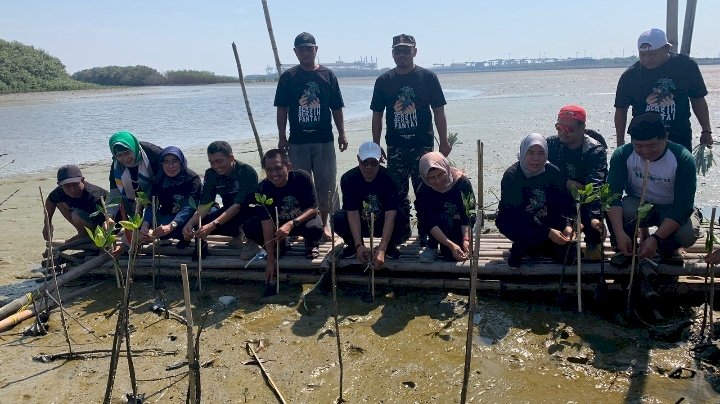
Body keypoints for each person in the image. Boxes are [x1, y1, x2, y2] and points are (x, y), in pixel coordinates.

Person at [370, 34, 450, 244]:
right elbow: (377, 115)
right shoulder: (384, 81)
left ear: (415, 51)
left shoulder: (428, 77)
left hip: (423, 146)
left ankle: (427, 232)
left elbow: (439, 111)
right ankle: (401, 232)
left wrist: (444, 141)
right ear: (393, 53)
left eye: (406, 50)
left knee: (426, 191)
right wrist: (376, 146)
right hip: (396, 146)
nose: (402, 54)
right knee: (397, 194)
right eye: (398, 50)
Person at [274, 32, 346, 240]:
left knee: (326, 183)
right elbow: (282, 109)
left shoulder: (327, 75)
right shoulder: (289, 77)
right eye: (301, 49)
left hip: (324, 140)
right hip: (297, 141)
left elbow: (337, 107)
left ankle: (325, 224)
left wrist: (342, 133)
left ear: (316, 49)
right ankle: (299, 225)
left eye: (309, 48)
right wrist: (281, 136)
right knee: (298, 184)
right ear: (295, 52)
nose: (305, 52)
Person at [607, 111, 700, 266]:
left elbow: (683, 206)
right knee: (623, 211)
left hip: (671, 208)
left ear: (666, 137)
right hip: (639, 204)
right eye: (639, 146)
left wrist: (656, 238)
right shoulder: (622, 155)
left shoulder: (682, 158)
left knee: (687, 234)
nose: (645, 152)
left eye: (652, 145)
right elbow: (612, 196)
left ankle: (667, 249)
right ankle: (626, 247)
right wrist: (619, 233)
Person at [614, 28, 713, 151]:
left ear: (666, 49)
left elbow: (697, 99)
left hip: (679, 138)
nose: (646, 60)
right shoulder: (630, 76)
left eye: (652, 54)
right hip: (644, 143)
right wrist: (620, 144)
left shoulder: (686, 66)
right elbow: (621, 110)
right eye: (642, 55)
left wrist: (706, 131)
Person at [243, 149, 323, 292]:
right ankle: (280, 245)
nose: (274, 174)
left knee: (315, 228)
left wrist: (292, 223)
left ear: (288, 166)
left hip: (299, 221)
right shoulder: (262, 188)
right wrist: (271, 261)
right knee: (250, 227)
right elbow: (266, 224)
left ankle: (310, 244)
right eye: (269, 170)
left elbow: (313, 209)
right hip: (276, 226)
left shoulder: (302, 177)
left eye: (278, 168)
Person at [496, 134, 575, 269]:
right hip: (516, 220)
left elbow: (563, 205)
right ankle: (521, 248)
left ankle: (536, 247)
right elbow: (515, 213)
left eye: (540, 153)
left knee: (569, 256)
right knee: (526, 234)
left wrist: (568, 225)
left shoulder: (553, 172)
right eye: (530, 153)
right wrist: (548, 232)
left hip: (545, 218)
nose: (536, 158)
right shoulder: (512, 176)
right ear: (522, 152)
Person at [547, 105, 608, 260]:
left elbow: (596, 184)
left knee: (594, 219)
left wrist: (594, 216)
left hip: (586, 200)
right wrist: (565, 182)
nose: (562, 133)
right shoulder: (551, 145)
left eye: (568, 129)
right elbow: (532, 165)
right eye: (559, 128)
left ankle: (593, 242)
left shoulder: (595, 150)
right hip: (560, 198)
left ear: (582, 128)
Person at [332, 141, 405, 268]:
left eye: (373, 163)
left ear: (380, 160)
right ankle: (353, 246)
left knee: (401, 216)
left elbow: (390, 215)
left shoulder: (390, 178)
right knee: (338, 217)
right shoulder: (348, 179)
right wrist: (358, 245)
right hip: (361, 222)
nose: (369, 167)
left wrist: (382, 248)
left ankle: (388, 246)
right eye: (365, 162)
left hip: (382, 222)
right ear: (358, 159)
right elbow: (352, 213)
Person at [181, 141, 258, 245]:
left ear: (231, 158)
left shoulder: (247, 172)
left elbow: (238, 206)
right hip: (227, 210)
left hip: (248, 210)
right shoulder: (211, 173)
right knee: (197, 224)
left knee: (253, 221)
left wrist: (212, 225)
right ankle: (236, 232)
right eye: (212, 162)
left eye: (219, 161)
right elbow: (206, 204)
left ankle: (249, 236)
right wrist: (190, 224)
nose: (216, 166)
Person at [415, 152, 475, 263]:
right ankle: (432, 245)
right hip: (436, 226)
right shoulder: (423, 191)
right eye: (432, 178)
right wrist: (451, 245)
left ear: (446, 169)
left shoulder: (462, 183)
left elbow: (468, 213)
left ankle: (460, 242)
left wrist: (466, 239)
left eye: (440, 174)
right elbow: (429, 222)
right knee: (437, 220)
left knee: (451, 257)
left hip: (458, 223)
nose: (437, 181)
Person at [140, 147, 201, 245]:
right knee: (145, 230)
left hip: (189, 215)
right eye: (166, 162)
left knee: (184, 228)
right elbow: (152, 204)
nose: (170, 166)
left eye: (174, 161)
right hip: (168, 213)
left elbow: (189, 207)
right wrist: (145, 224)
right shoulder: (159, 179)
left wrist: (171, 225)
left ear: (181, 162)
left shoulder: (192, 179)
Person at [43, 165, 108, 242]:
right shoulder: (60, 191)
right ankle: (82, 233)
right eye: (67, 186)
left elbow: (107, 221)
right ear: (60, 184)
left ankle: (86, 236)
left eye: (75, 184)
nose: (72, 189)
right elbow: (51, 200)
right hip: (86, 219)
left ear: (82, 180)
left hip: (102, 224)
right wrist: (47, 223)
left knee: (76, 215)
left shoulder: (95, 196)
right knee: (59, 202)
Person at [107, 131, 162, 220]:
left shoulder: (153, 153)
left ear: (133, 147)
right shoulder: (116, 165)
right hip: (132, 199)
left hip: (158, 194)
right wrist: (109, 216)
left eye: (127, 153)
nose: (125, 158)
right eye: (120, 155)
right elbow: (115, 191)